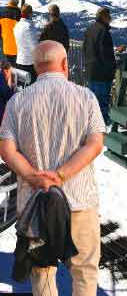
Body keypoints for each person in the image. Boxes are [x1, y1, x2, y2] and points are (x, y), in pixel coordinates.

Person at [0, 40, 106, 296]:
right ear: (65, 64)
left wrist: (33, 176)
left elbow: (6, 149)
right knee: (84, 271)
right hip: (79, 200)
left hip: (34, 204)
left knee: (43, 272)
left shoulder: (17, 102)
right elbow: (95, 144)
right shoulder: (85, 97)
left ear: (36, 68)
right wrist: (60, 175)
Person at [81, 8, 118, 127]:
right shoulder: (103, 32)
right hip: (102, 73)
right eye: (109, 16)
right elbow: (105, 54)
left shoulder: (90, 29)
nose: (110, 19)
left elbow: (85, 48)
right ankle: (101, 126)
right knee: (102, 102)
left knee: (93, 100)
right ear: (104, 17)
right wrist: (113, 66)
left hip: (91, 70)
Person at [13, 4, 39, 80]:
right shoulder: (29, 27)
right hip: (29, 63)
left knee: (22, 86)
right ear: (30, 13)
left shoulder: (17, 25)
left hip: (19, 60)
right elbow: (35, 47)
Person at [0, 0, 21, 64]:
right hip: (17, 49)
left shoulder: (1, 12)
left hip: (4, 48)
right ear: (18, 3)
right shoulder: (20, 14)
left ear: (9, 1)